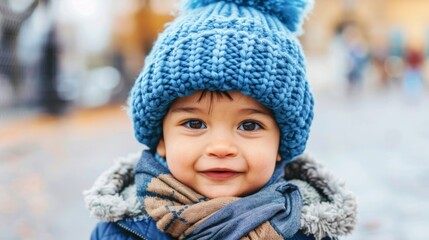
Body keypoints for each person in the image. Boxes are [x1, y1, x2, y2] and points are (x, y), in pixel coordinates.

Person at [84, 0, 357, 239]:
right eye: (194, 124)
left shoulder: (305, 231)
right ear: (161, 139)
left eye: (249, 125)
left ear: (280, 144)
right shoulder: (118, 230)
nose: (221, 147)